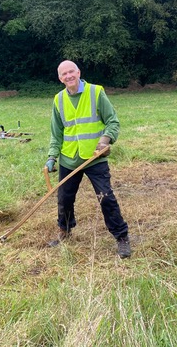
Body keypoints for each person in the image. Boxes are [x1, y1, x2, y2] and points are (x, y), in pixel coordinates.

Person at [45, 60, 131, 258]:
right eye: (64, 74)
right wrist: (52, 156)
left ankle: (121, 237)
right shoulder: (58, 100)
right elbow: (56, 132)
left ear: (78, 72)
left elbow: (112, 121)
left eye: (71, 72)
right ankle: (65, 231)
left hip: (94, 158)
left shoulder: (96, 92)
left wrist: (105, 140)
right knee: (64, 199)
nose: (68, 76)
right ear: (60, 78)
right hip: (69, 158)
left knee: (106, 198)